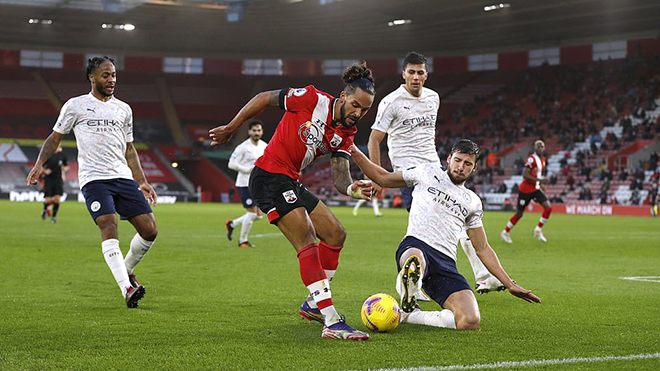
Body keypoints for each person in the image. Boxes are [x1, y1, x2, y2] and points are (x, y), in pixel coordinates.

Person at [209, 62, 375, 340]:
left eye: (365, 110)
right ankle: (331, 321)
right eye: (356, 105)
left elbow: (340, 178)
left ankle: (313, 305)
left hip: (290, 181)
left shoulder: (346, 134)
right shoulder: (311, 99)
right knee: (307, 239)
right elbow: (264, 98)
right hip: (268, 176)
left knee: (335, 234)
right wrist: (232, 127)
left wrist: (354, 190)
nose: (358, 113)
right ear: (343, 97)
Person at [351, 139, 540, 330]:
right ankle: (411, 282)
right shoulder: (426, 172)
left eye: (468, 164)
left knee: (470, 320)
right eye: (457, 160)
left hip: (446, 264)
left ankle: (410, 315)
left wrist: (509, 284)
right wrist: (353, 149)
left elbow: (482, 248)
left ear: (474, 168)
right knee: (415, 261)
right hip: (416, 245)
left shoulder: (472, 201)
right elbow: (383, 178)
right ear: (448, 159)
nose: (461, 167)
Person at [26, 56, 158, 309]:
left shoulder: (124, 109)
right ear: (92, 77)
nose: (111, 80)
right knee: (109, 224)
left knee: (150, 230)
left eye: (114, 75)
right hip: (94, 179)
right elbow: (54, 139)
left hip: (122, 176)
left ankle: (126, 269)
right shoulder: (76, 106)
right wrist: (39, 163)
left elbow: (129, 148)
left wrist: (141, 180)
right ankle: (126, 288)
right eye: (106, 75)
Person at [367, 52, 504, 294]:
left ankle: (482, 276)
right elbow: (374, 140)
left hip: (435, 170)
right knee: (422, 230)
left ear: (426, 75)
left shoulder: (433, 98)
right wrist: (376, 176)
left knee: (458, 221)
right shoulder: (391, 102)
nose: (416, 77)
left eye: (420, 72)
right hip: (409, 173)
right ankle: (414, 280)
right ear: (404, 74)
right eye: (411, 72)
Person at [224, 120, 268, 247]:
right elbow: (231, 164)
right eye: (254, 130)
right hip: (244, 183)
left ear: (262, 132)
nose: (256, 133)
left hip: (258, 184)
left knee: (259, 215)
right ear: (249, 131)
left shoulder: (264, 146)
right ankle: (243, 241)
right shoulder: (242, 147)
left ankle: (232, 224)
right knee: (252, 213)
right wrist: (246, 169)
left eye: (259, 130)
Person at [501, 140, 552, 243]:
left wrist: (540, 184)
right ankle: (505, 232)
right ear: (535, 148)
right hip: (525, 190)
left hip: (535, 189)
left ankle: (538, 230)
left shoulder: (543, 160)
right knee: (519, 214)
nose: (540, 148)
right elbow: (525, 175)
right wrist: (541, 181)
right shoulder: (531, 159)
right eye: (538, 146)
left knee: (548, 208)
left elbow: (536, 175)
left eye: (542, 146)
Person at [41, 145, 69, 223]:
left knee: (57, 199)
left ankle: (53, 217)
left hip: (58, 179)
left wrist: (64, 169)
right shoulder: (48, 155)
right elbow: (41, 166)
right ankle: (45, 209)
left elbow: (67, 166)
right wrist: (45, 171)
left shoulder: (62, 155)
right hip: (48, 179)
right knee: (48, 199)